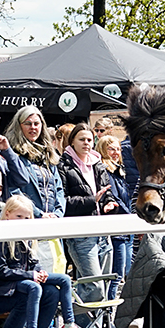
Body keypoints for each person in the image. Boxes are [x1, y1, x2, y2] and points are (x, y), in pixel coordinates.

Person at [0, 194, 98, 328]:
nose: (23, 221)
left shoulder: (28, 237)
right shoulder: (0, 237)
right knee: (35, 288)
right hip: (5, 287)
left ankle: (67, 326)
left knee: (59, 283)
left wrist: (39, 271)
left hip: (24, 281)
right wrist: (31, 275)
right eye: (18, 217)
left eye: (26, 217)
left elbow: (33, 263)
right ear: (7, 215)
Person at [59, 123, 118, 303]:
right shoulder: (63, 165)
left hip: (103, 232)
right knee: (94, 287)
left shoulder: (97, 163)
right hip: (81, 235)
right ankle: (76, 325)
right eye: (82, 139)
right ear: (72, 142)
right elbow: (63, 202)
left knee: (105, 286)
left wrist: (108, 202)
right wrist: (93, 201)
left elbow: (106, 192)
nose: (87, 143)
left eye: (90, 140)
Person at [4, 105, 65, 219]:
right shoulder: (13, 154)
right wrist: (39, 214)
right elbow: (14, 190)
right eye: (28, 123)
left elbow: (59, 189)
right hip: (27, 220)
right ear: (19, 126)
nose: (33, 127)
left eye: (36, 124)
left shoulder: (48, 154)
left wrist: (58, 214)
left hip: (53, 222)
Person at [97, 134, 134, 301]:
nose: (116, 152)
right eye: (111, 149)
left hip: (127, 228)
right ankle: (109, 313)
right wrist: (131, 216)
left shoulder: (119, 170)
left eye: (118, 149)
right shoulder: (105, 170)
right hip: (117, 228)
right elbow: (114, 198)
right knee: (116, 275)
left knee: (126, 273)